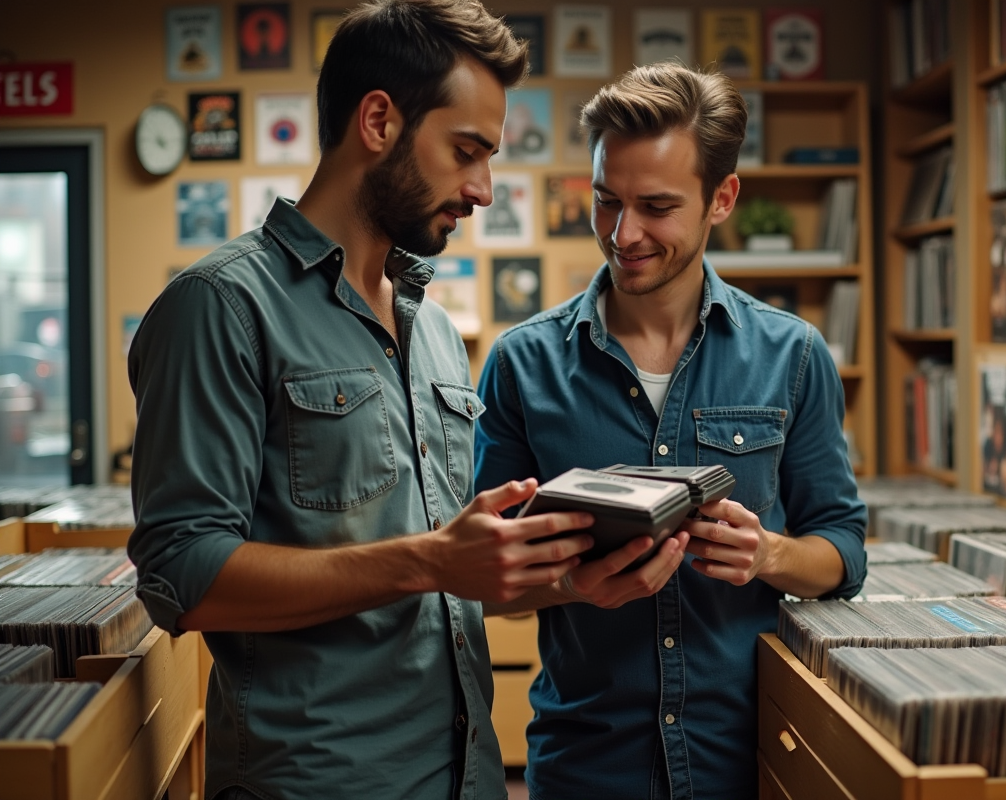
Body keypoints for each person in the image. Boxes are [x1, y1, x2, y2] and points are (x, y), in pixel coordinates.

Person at [126, 3, 592, 799]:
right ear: (378, 121)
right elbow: (182, 575)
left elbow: (447, 583)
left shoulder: (434, 329)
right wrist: (429, 559)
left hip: (466, 778)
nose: (482, 190)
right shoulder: (220, 306)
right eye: (466, 152)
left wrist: (572, 581)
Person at [474, 63, 867, 800]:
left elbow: (843, 552)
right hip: (586, 767)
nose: (623, 234)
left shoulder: (793, 356)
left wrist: (769, 554)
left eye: (656, 207)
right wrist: (570, 585)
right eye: (606, 201)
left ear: (723, 198)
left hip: (747, 763)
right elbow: (483, 585)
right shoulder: (522, 365)